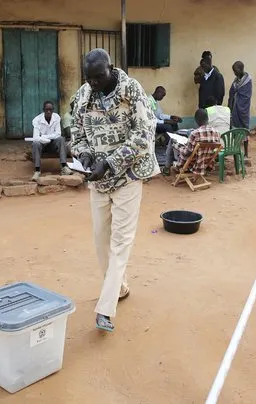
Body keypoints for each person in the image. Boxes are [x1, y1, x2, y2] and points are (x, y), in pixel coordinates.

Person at [71, 49, 158, 332]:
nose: (93, 83)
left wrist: (110, 162)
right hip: (97, 180)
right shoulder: (83, 95)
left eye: (98, 77)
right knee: (100, 241)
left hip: (127, 177)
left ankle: (105, 310)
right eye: (89, 78)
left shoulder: (132, 91)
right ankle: (118, 288)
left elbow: (143, 135)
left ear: (110, 69)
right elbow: (77, 133)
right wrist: (83, 156)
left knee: (120, 242)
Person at [31, 101, 73, 181]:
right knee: (36, 143)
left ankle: (64, 167)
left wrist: (44, 136)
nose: (48, 112)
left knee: (61, 139)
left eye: (50, 110)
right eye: (47, 109)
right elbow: (35, 137)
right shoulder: (37, 120)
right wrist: (43, 139)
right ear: (43, 110)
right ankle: (37, 170)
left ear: (53, 110)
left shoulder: (56, 118)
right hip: (42, 145)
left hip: (52, 144)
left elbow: (58, 134)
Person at [228, 60, 253, 158]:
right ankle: (236, 150)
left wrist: (236, 97)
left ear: (241, 69)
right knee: (235, 129)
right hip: (235, 109)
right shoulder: (236, 80)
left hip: (243, 109)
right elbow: (231, 92)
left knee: (244, 130)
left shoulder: (248, 80)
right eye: (233, 71)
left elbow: (246, 96)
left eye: (235, 70)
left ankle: (246, 153)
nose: (234, 73)